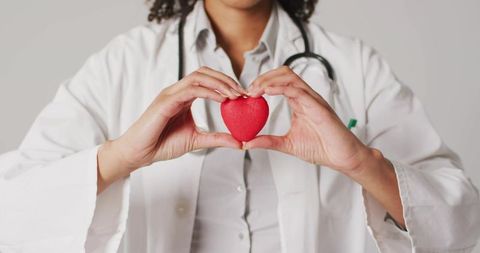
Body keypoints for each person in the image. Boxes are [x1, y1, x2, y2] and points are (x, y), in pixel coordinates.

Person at [0, 0, 479, 252]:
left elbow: (464, 221)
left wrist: (361, 162)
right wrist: (121, 156)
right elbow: (11, 213)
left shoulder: (354, 65)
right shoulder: (122, 65)